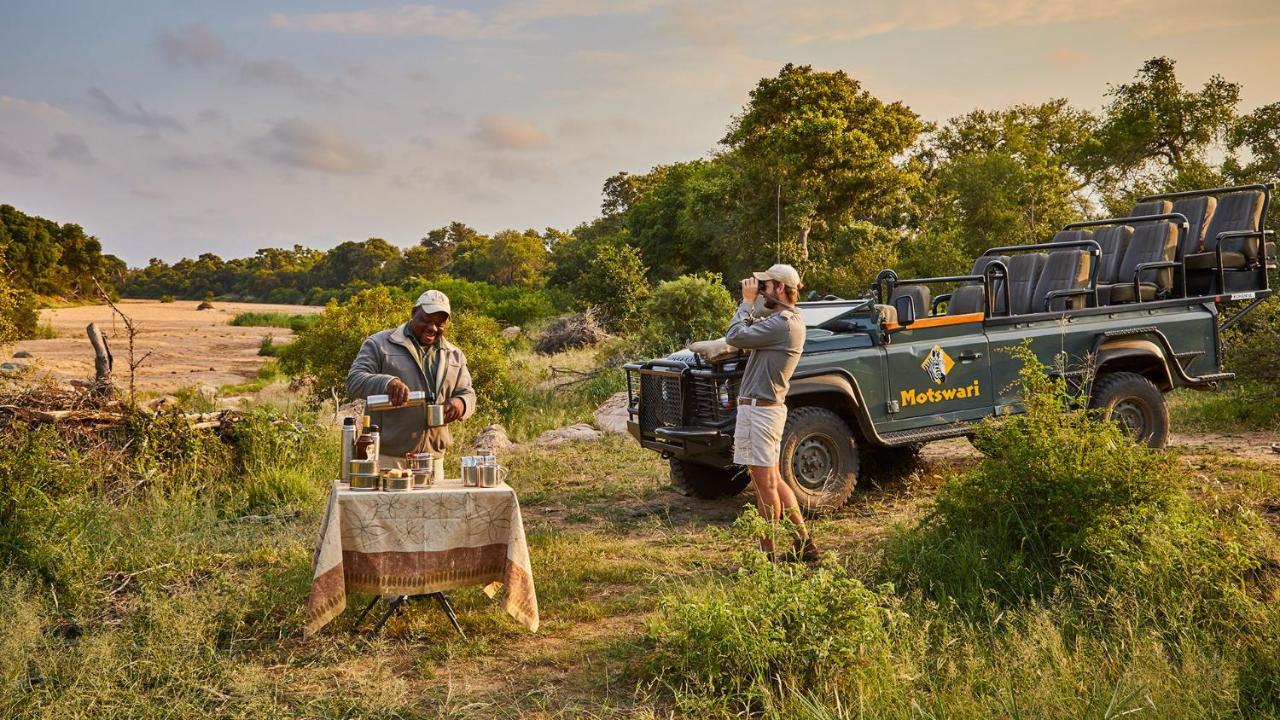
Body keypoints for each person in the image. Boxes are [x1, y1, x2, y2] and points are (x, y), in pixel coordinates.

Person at [725, 263, 818, 563]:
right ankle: (805, 545)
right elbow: (753, 324)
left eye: (765, 285)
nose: (759, 288)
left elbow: (735, 336)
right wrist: (756, 302)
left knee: (764, 487)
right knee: (775, 482)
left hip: (761, 413)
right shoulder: (783, 319)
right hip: (764, 411)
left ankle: (767, 558)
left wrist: (746, 302)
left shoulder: (783, 324)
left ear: (779, 288)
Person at [346, 289, 476, 474]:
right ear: (414, 313)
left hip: (432, 461)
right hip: (387, 459)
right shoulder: (379, 344)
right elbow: (354, 381)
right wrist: (388, 383)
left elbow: (468, 393)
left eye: (440, 323)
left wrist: (461, 404)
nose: (432, 328)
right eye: (426, 320)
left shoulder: (454, 355)